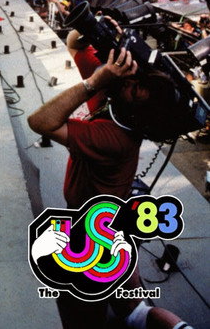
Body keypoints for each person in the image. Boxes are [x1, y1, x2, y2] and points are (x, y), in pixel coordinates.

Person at [27, 24, 193, 329]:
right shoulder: (116, 100)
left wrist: (93, 82)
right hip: (112, 223)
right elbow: (74, 43)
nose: (127, 82)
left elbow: (40, 122)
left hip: (96, 238)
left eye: (134, 88)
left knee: (94, 314)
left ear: (136, 110)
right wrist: (100, 32)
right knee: (132, 308)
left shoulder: (113, 136)